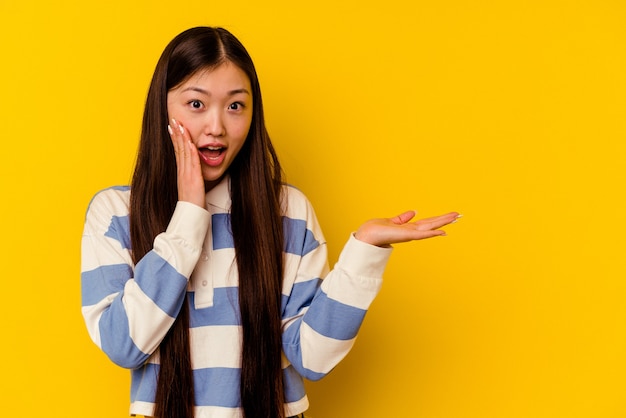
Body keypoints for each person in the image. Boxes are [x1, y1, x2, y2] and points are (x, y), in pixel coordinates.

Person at [80, 26, 460, 418]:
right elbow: (123, 345)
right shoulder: (115, 212)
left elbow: (313, 357)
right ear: (162, 108)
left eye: (235, 106)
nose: (216, 127)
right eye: (196, 104)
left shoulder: (288, 211)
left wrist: (365, 252)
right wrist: (189, 216)